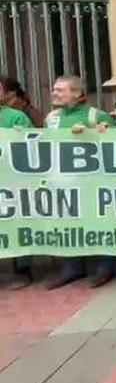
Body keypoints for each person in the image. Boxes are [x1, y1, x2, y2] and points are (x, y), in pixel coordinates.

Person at [44, 75, 116, 289]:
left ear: (77, 93)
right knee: (68, 224)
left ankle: (106, 267)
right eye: (54, 89)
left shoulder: (96, 115)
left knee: (100, 222)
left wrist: (92, 134)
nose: (55, 93)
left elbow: (115, 144)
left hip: (93, 181)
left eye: (60, 90)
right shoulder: (52, 118)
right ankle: (72, 267)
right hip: (63, 182)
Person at [0, 99, 36, 290]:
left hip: (11, 180)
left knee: (17, 223)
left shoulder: (16, 116)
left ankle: (23, 270)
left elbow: (29, 146)